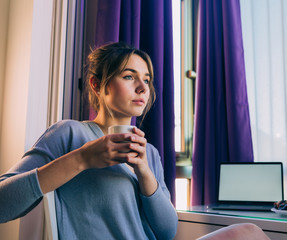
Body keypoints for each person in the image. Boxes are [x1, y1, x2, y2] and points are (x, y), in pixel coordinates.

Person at [0, 42, 178, 240]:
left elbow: (167, 232)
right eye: (129, 76)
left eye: (147, 80)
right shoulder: (69, 134)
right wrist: (82, 159)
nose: (142, 88)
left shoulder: (150, 153)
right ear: (97, 85)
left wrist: (144, 170)